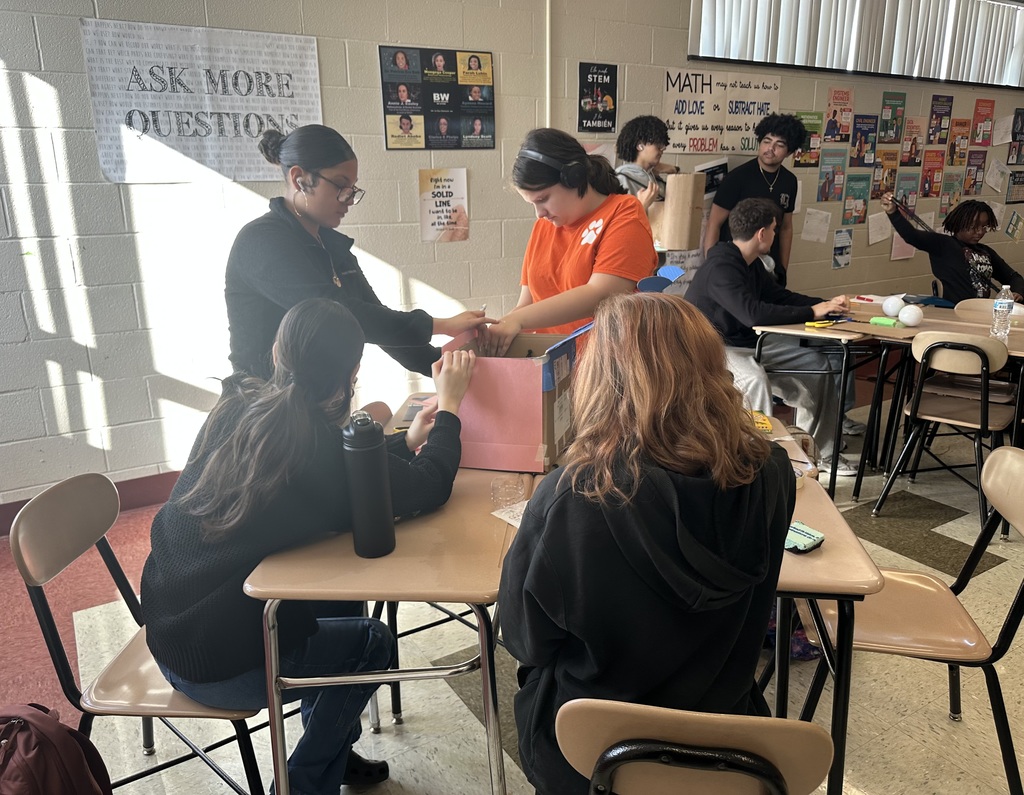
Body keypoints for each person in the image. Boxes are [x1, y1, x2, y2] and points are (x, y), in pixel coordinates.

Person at [142, 297, 477, 795]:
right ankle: (303, 783)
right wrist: (449, 407)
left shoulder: (237, 405)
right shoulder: (319, 451)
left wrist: (401, 442)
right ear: (353, 371)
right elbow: (428, 487)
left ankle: (332, 752)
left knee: (327, 601)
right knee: (373, 643)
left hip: (168, 629)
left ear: (280, 352)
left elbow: (342, 475)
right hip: (219, 666)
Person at [499, 292, 795, 795]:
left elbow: (525, 640)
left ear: (602, 381)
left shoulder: (574, 495)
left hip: (591, 753)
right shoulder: (771, 472)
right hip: (727, 743)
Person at [224, 125, 488, 380]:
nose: (349, 199)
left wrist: (446, 366)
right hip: (262, 406)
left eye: (352, 188)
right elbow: (337, 315)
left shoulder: (330, 245)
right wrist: (440, 325)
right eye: (341, 186)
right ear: (300, 179)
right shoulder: (261, 241)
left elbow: (375, 317)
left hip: (315, 400)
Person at [687, 198, 856, 476]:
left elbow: (780, 297)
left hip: (744, 345)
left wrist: (827, 305)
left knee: (817, 366)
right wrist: (813, 311)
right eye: (775, 230)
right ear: (762, 234)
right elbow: (752, 313)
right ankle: (761, 463)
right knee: (754, 380)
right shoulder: (721, 266)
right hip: (711, 347)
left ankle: (817, 454)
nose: (776, 235)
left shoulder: (749, 263)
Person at [481, 128, 658, 355]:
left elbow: (601, 295)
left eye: (543, 199)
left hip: (607, 365)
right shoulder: (543, 227)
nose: (539, 213)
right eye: (532, 203)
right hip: (554, 363)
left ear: (574, 176)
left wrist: (518, 320)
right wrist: (501, 327)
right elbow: (528, 303)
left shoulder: (624, 214)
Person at [703, 113, 806, 287]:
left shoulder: (789, 181)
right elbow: (714, 223)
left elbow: (786, 227)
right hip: (735, 265)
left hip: (768, 268)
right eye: (766, 141)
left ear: (789, 152)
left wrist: (782, 269)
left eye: (779, 145)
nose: (770, 148)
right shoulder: (738, 177)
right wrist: (711, 267)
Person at [881, 192, 1024, 303]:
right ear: (959, 224)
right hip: (953, 312)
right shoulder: (943, 245)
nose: (980, 232)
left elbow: (1013, 277)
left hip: (980, 313)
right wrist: (893, 213)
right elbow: (911, 236)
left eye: (984, 226)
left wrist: (1017, 293)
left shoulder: (986, 252)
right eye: (974, 227)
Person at [613, 114, 680, 211]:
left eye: (663, 144)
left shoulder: (654, 177)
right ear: (640, 146)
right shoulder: (622, 178)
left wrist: (674, 171)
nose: (662, 149)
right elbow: (620, 221)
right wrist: (642, 205)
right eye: (658, 144)